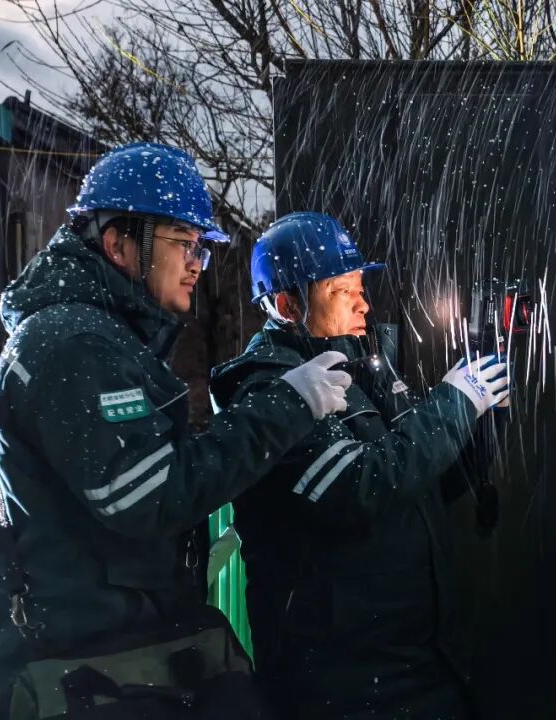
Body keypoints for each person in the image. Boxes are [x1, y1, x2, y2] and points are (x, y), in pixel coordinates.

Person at [0, 144, 352, 720]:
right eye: (183, 243)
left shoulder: (96, 332)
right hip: (72, 671)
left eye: (201, 248)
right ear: (120, 243)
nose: (197, 262)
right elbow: (146, 496)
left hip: (103, 653)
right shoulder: (75, 344)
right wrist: (285, 407)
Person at [209, 211, 509, 720]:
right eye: (342, 291)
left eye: (361, 287)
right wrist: (455, 404)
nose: (364, 303)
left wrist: (482, 418)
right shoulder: (269, 391)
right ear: (287, 304)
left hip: (418, 666)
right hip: (343, 686)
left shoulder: (358, 370)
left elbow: (422, 482)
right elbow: (360, 487)